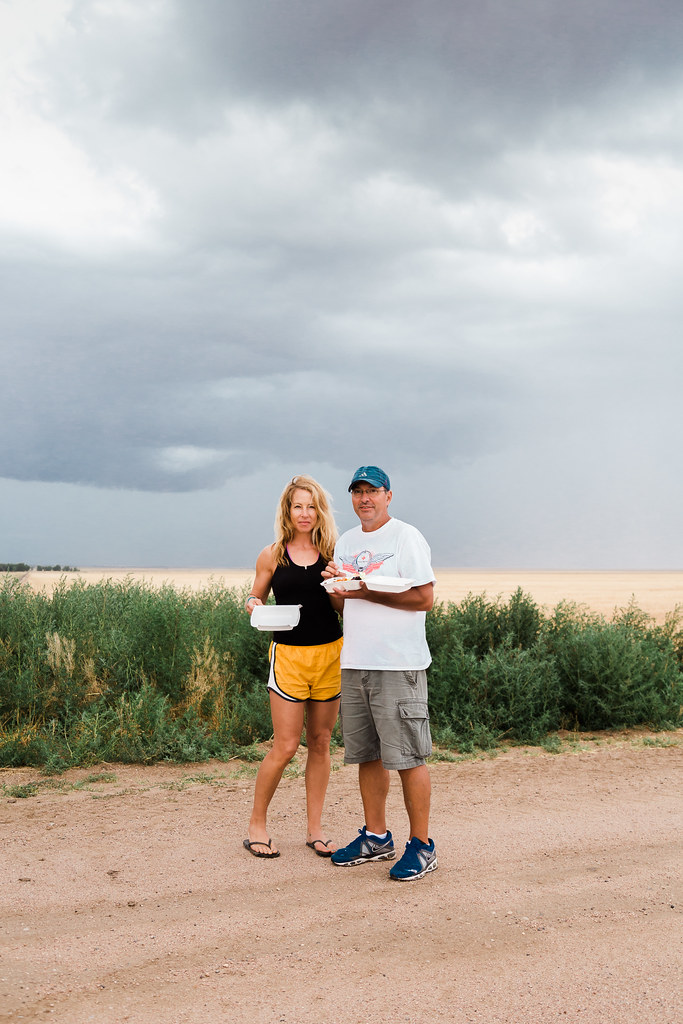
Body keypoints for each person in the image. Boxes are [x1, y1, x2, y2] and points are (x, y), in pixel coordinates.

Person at [323, 465, 437, 881]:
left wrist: (365, 587)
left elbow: (424, 598)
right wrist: (338, 589)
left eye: (373, 491)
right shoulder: (347, 542)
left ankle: (422, 846)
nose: (364, 498)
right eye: (357, 492)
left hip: (397, 665)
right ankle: (376, 836)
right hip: (355, 663)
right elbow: (345, 605)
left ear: (389, 495)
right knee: (366, 755)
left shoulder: (406, 536)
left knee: (407, 757)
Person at [243, 475, 343, 859]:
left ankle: (315, 831)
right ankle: (257, 825)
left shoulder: (333, 553)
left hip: (329, 654)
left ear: (320, 511)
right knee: (285, 746)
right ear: (287, 510)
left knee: (321, 742)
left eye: (311, 506)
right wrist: (254, 605)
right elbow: (255, 596)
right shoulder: (272, 555)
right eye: (298, 505)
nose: (305, 513)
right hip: (287, 656)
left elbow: (342, 609)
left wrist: (338, 586)